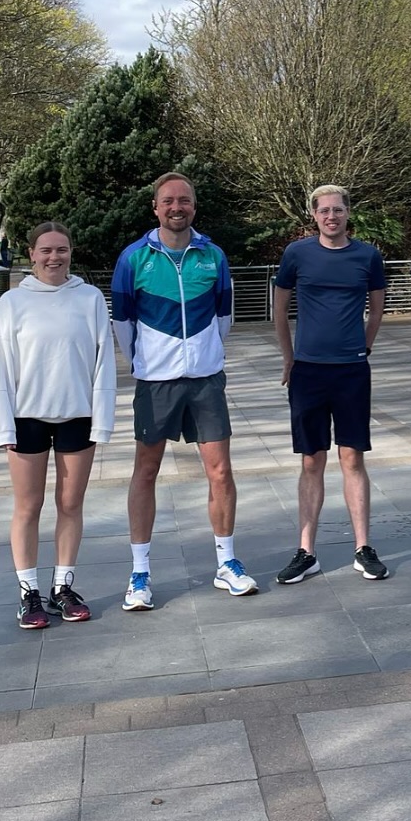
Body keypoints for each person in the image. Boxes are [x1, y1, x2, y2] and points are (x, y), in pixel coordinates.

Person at [112, 171, 254, 607]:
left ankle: (226, 563)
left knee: (221, 472)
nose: (177, 208)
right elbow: (123, 324)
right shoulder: (133, 258)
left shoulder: (213, 256)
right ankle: (139, 575)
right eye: (168, 201)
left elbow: (224, 317)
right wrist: (149, 361)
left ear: (194, 206)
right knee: (146, 472)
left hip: (206, 381)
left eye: (185, 201)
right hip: (156, 384)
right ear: (155, 207)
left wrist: (202, 354)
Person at [0, 221, 115, 628]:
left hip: (78, 415)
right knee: (28, 506)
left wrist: (103, 422)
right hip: (27, 418)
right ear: (32, 255)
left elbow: (103, 364)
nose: (54, 258)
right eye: (46, 250)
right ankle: (29, 593)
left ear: (71, 253)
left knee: (70, 505)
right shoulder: (12, 303)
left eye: (61, 250)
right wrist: (3, 428)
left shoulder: (90, 298)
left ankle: (63, 587)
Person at [272, 185, 390, 584]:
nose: (331, 217)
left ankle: (363, 547)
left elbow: (377, 305)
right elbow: (280, 306)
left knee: (352, 458)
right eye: (324, 211)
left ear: (347, 213)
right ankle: (307, 551)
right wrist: (289, 357)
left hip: (351, 370)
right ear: (314, 215)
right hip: (308, 371)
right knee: (311, 460)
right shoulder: (297, 254)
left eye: (337, 210)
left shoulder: (367, 256)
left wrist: (365, 344)